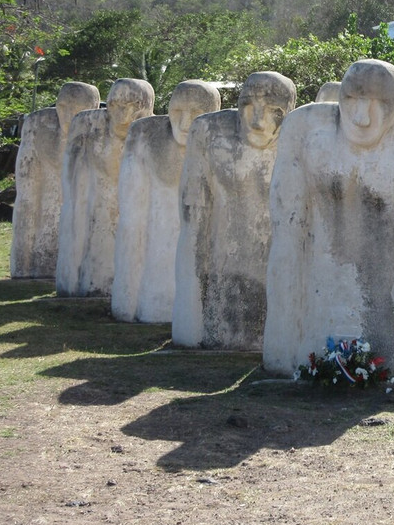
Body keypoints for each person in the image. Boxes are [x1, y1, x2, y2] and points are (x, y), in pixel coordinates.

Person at [263, 60, 394, 379]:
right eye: (352, 100)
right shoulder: (304, 130)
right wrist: (280, 346)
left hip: (384, 307)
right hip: (318, 306)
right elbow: (287, 240)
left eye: (377, 103)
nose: (362, 118)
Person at [172, 72, 296, 349]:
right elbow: (193, 225)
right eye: (249, 106)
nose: (258, 121)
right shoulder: (209, 133)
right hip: (222, 281)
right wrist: (188, 322)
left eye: (273, 111)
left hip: (277, 283)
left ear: (288, 112)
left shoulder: (303, 140)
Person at [110, 80, 221, 323]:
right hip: (155, 269)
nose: (184, 124)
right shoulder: (145, 136)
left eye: (196, 114)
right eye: (178, 112)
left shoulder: (224, 147)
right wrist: (125, 300)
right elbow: (131, 220)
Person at [56, 78, 153, 296]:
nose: (122, 115)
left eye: (131, 106)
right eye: (115, 105)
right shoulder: (90, 128)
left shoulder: (155, 137)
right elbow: (73, 193)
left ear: (146, 107)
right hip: (97, 226)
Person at [10, 82, 100, 279]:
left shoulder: (101, 132)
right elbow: (26, 194)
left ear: (92, 108)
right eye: (62, 107)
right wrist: (22, 263)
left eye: (75, 109)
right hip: (45, 215)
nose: (66, 115)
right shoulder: (38, 125)